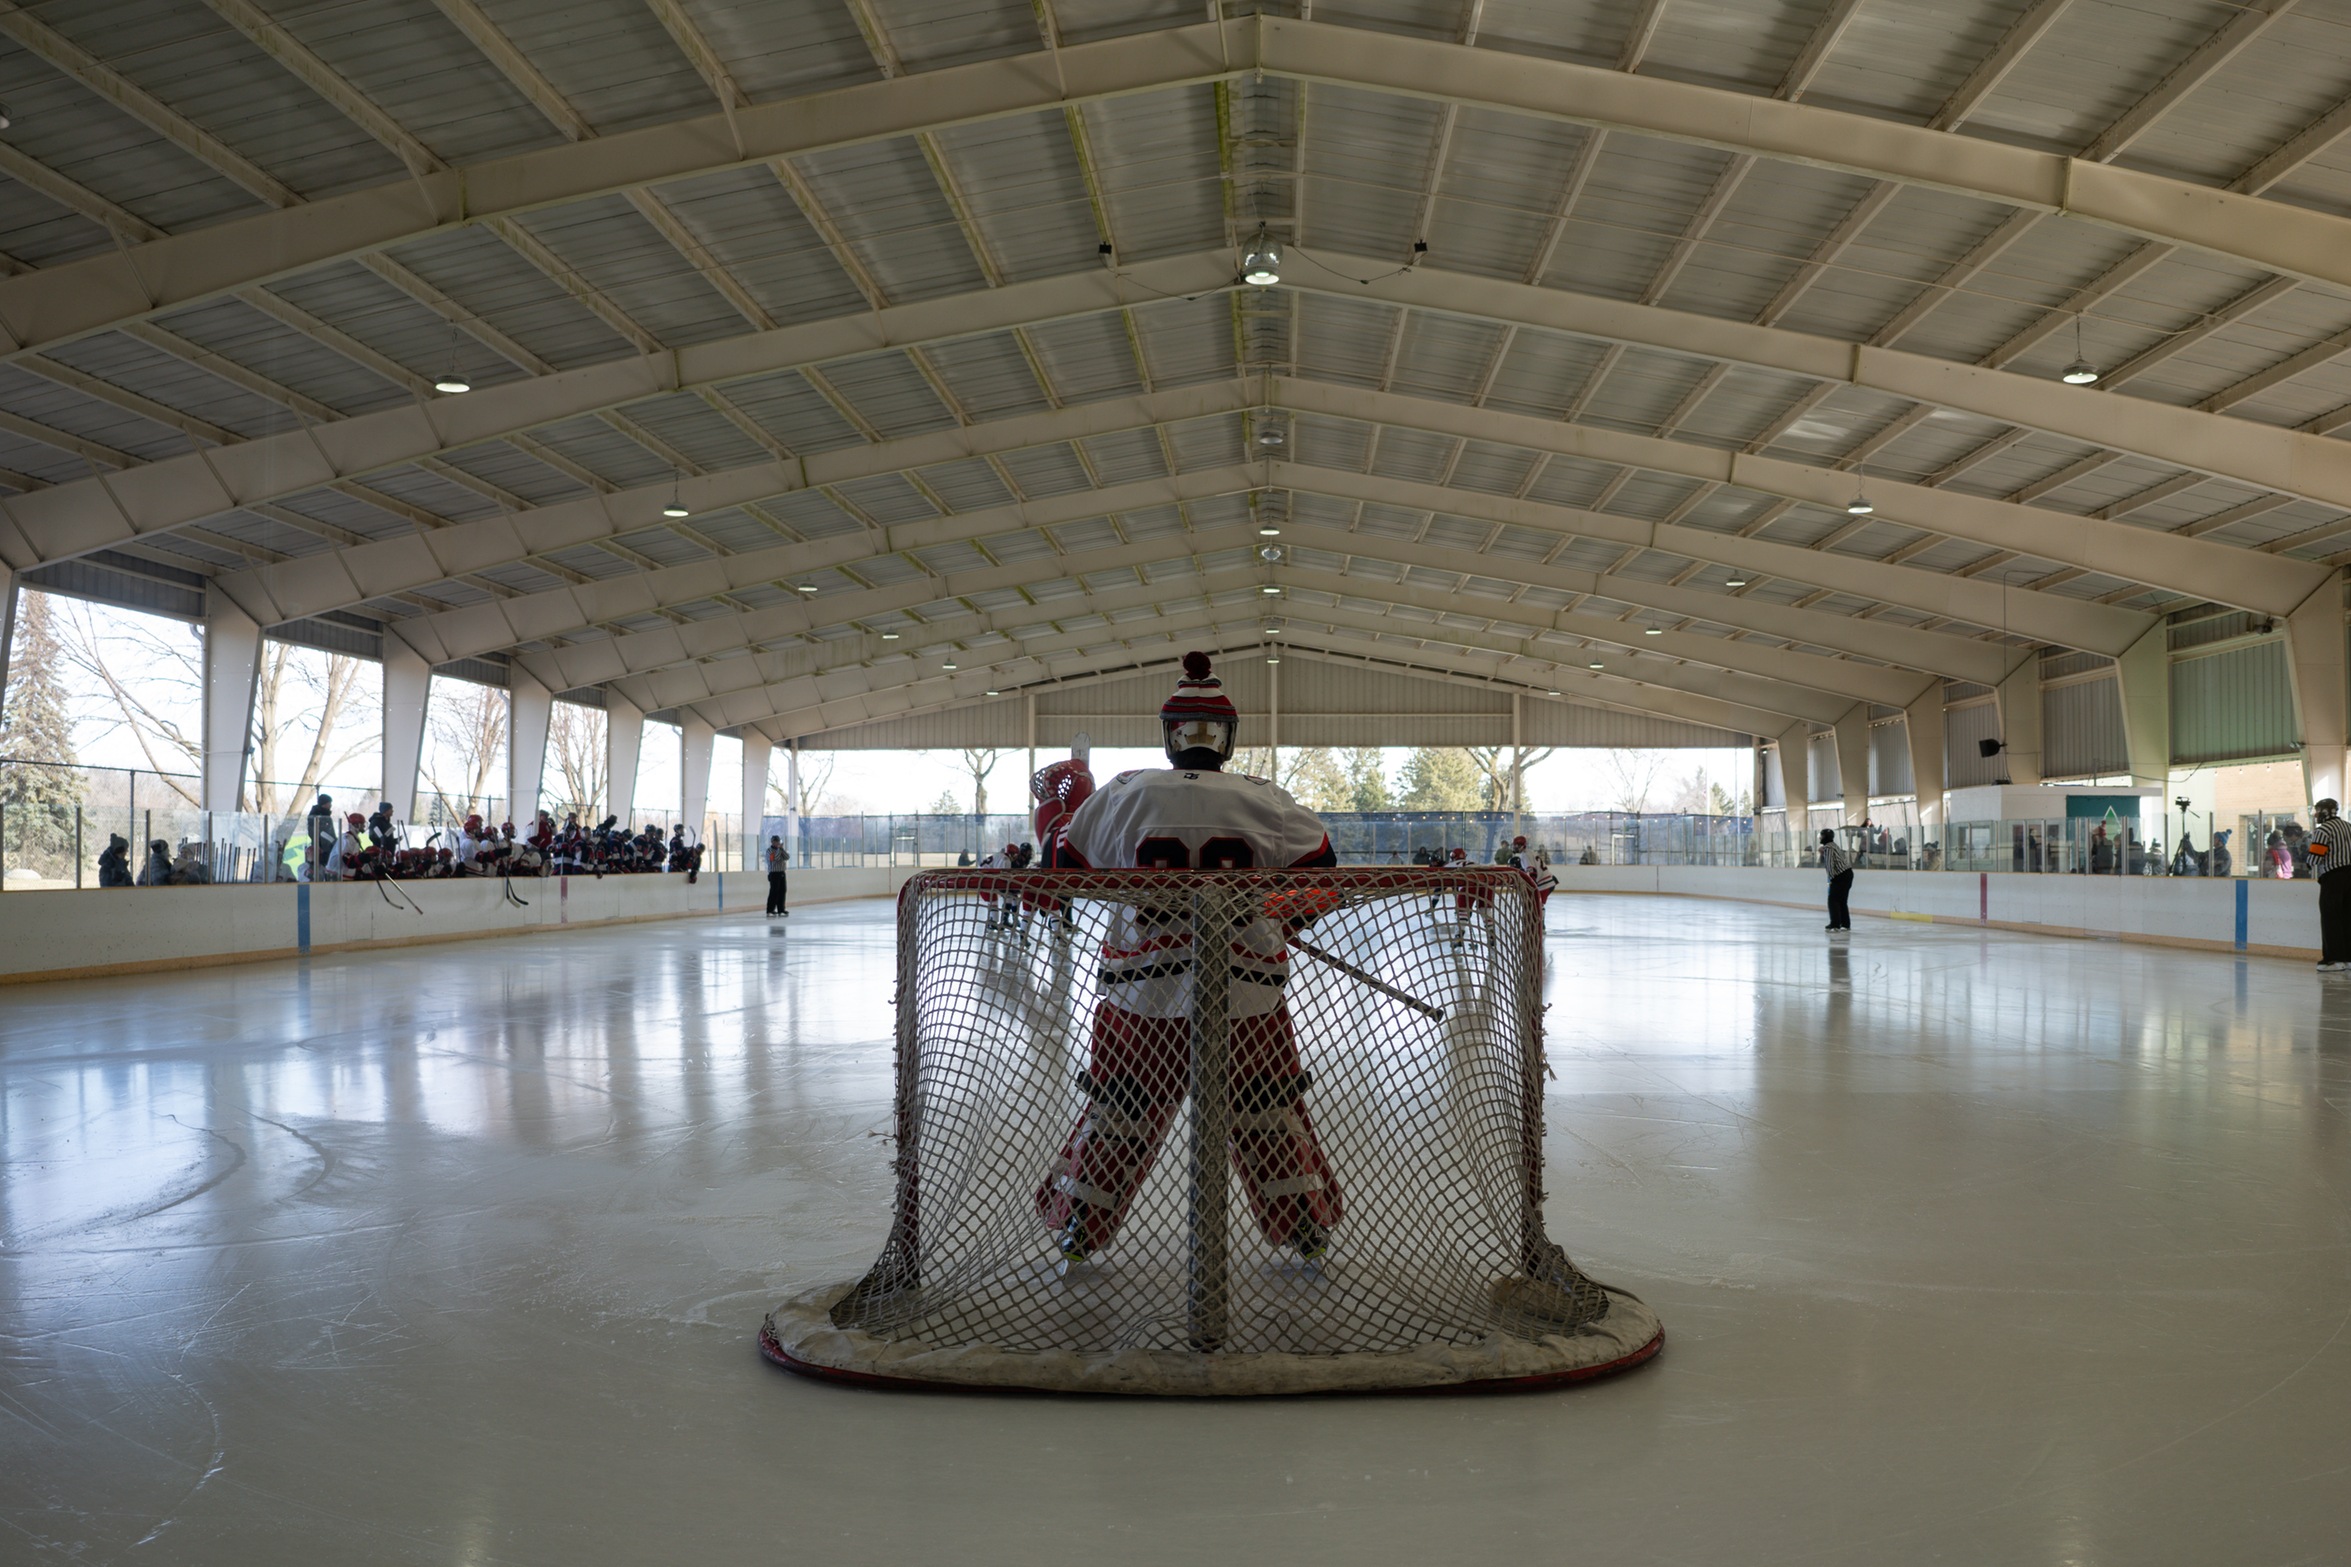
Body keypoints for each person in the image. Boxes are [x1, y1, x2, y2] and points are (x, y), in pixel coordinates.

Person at [1034, 652, 1343, 1266]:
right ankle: (1305, 1227)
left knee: (1120, 1111)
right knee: (1268, 1109)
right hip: (1246, 993)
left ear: (1168, 734)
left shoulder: (1125, 793)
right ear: (1227, 738)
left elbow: (1058, 867)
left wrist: (1057, 809)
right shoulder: (1267, 799)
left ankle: (1080, 1228)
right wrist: (1281, 915)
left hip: (1138, 996)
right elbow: (1324, 872)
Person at [2312, 799, 2351, 973]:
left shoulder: (2324, 830)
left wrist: (2307, 862)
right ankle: (2348, 959)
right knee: (2347, 918)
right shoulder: (2349, 826)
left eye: (2319, 810)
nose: (2316, 813)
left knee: (2331, 918)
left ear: (2327, 812)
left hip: (2333, 877)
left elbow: (2314, 857)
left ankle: (2334, 959)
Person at [1819, 827, 1853, 935]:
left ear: (1825, 837)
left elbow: (1829, 865)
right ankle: (1845, 924)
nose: (1820, 837)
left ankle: (1835, 924)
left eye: (1822, 835)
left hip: (1840, 876)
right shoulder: (1834, 845)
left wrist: (1831, 878)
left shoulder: (1828, 848)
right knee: (1842, 900)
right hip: (1847, 874)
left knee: (1833, 900)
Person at [765, 835, 790, 916]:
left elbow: (787, 857)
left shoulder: (780, 850)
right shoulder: (769, 850)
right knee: (774, 892)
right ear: (772, 842)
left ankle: (781, 909)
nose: (777, 843)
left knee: (782, 891)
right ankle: (770, 910)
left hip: (781, 872)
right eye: (775, 841)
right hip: (774, 873)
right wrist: (779, 849)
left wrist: (782, 849)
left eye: (778, 841)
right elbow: (774, 858)